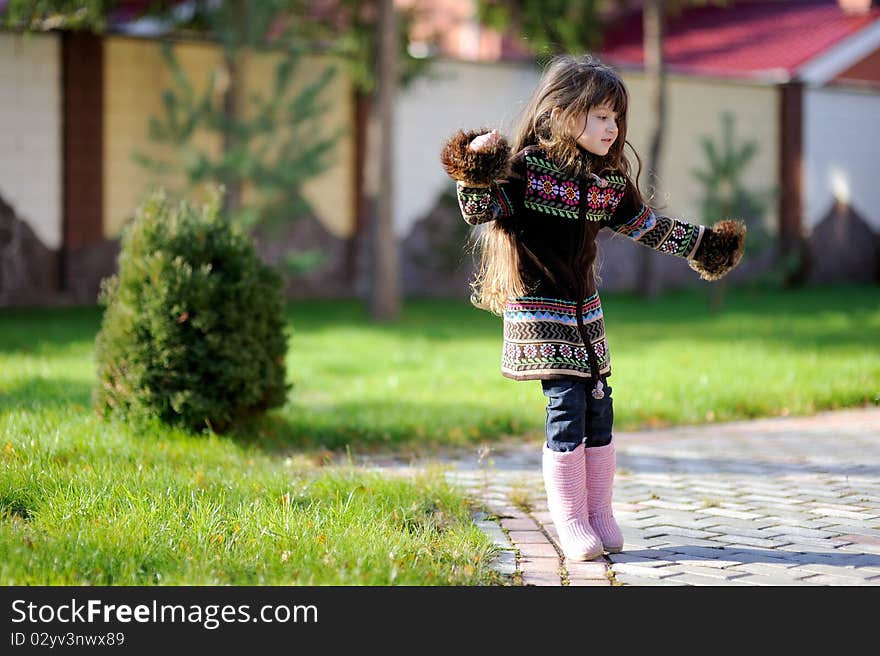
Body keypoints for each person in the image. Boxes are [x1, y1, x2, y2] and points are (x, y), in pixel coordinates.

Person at [439, 54, 745, 562]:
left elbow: (647, 225)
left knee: (600, 409)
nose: (613, 127)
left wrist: (703, 246)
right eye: (601, 116)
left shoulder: (607, 182)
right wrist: (475, 167)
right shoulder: (525, 173)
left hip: (586, 316)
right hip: (541, 315)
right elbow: (480, 209)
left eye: (616, 118)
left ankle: (600, 513)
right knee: (567, 408)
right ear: (561, 113)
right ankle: (571, 521)